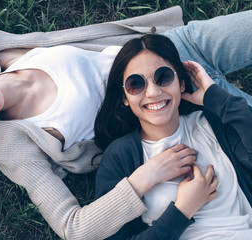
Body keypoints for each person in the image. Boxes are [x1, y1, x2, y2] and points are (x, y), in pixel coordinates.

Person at [0, 7, 252, 240]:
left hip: (175, 48)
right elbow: (73, 227)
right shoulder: (10, 144)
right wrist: (143, 179)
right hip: (184, 108)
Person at [94, 34, 252, 239]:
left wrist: (215, 96)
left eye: (163, 77)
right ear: (125, 97)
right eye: (136, 84)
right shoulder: (120, 156)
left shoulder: (211, 124)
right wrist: (182, 210)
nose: (152, 92)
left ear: (182, 83)